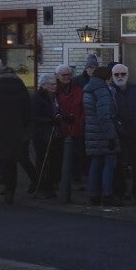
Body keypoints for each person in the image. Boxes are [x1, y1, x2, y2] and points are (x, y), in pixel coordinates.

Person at [0, 60, 31, 204]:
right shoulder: (21, 87)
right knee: (10, 163)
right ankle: (10, 193)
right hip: (15, 131)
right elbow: (28, 111)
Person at [80, 65, 118, 208]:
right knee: (109, 163)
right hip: (103, 132)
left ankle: (93, 195)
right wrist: (111, 137)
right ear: (106, 77)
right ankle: (107, 195)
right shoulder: (102, 90)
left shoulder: (88, 88)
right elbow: (104, 115)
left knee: (95, 163)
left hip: (92, 131)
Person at [110, 62, 136, 205]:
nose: (120, 77)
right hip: (119, 134)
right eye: (116, 75)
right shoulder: (110, 91)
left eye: (123, 74)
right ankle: (119, 193)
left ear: (128, 75)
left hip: (135, 133)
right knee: (119, 165)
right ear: (112, 76)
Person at [54, 65, 85, 193]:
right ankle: (58, 180)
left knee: (76, 156)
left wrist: (80, 122)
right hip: (59, 130)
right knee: (57, 156)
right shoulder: (53, 90)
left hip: (76, 129)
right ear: (57, 76)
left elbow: (83, 109)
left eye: (68, 75)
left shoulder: (78, 90)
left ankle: (76, 180)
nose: (67, 77)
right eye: (64, 75)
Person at [30, 73, 61, 198]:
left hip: (49, 132)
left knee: (49, 161)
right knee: (42, 161)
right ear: (44, 85)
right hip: (41, 134)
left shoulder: (50, 97)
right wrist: (52, 120)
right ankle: (42, 187)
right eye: (52, 84)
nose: (55, 87)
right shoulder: (37, 98)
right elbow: (35, 117)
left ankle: (48, 185)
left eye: (55, 84)